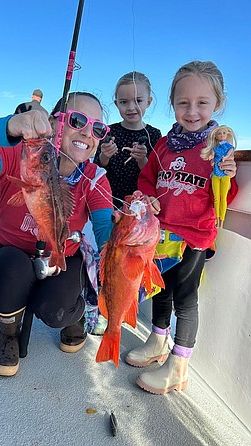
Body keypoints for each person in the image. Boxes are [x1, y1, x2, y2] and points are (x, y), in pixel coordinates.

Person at [0, 91, 114, 376]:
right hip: (12, 254)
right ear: (53, 123)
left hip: (62, 256)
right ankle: (8, 333)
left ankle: (76, 313)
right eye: (78, 120)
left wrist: (129, 237)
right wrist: (9, 127)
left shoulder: (94, 178)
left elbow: (105, 228)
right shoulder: (20, 156)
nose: (86, 132)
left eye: (97, 128)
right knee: (9, 277)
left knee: (55, 310)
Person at [130, 60, 237, 395]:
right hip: (160, 234)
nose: (192, 111)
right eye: (183, 103)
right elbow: (146, 179)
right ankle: (157, 341)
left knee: (186, 299)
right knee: (160, 287)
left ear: (217, 104)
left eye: (202, 103)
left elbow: (226, 195)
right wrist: (147, 198)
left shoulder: (218, 147)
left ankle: (178, 366)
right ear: (172, 104)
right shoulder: (163, 145)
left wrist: (227, 173)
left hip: (194, 238)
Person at [94, 71, 162, 209]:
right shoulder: (108, 131)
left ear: (148, 102)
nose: (131, 107)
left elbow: (155, 175)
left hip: (140, 205)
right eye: (124, 102)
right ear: (116, 103)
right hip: (109, 201)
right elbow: (97, 168)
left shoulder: (154, 134)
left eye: (138, 101)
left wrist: (142, 159)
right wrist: (104, 155)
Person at [201, 124, 236, 227]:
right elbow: (212, 156)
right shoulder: (215, 149)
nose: (221, 135)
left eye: (224, 133)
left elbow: (230, 151)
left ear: (227, 135)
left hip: (224, 175)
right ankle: (217, 218)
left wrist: (226, 157)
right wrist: (211, 159)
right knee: (217, 198)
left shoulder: (229, 147)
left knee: (223, 197)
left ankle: (222, 220)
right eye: (219, 133)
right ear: (215, 136)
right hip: (216, 174)